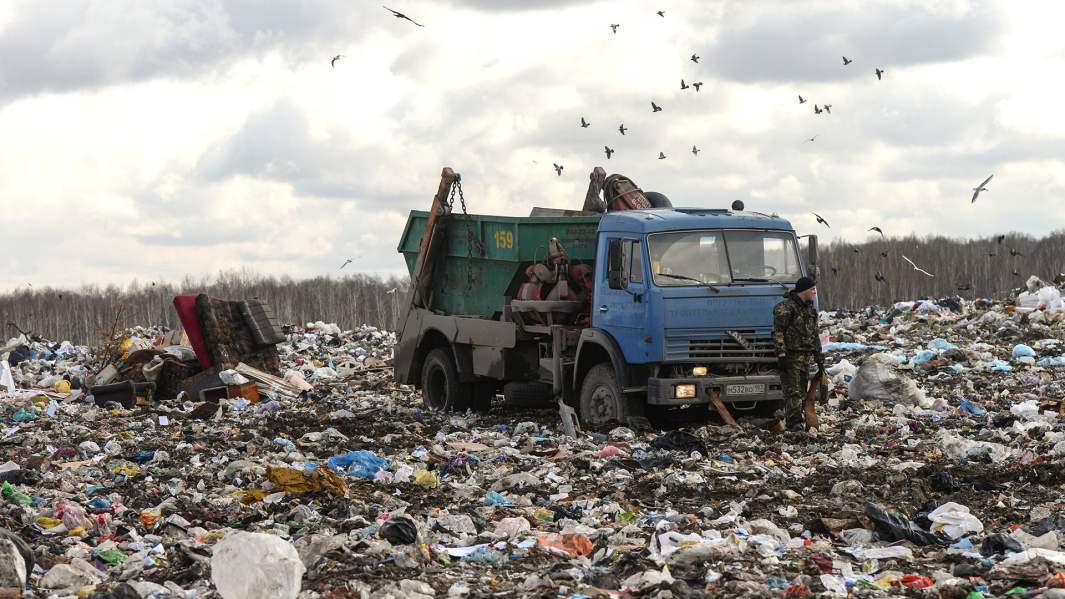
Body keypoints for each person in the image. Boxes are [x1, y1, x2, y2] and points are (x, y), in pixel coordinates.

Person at [772, 276, 823, 431]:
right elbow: (778, 332)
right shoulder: (786, 308)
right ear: (804, 290)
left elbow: (814, 334)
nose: (814, 292)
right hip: (791, 356)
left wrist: (818, 356)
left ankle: (797, 419)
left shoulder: (810, 309)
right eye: (812, 289)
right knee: (792, 391)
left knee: (801, 390)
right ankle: (794, 423)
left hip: (805, 356)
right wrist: (781, 354)